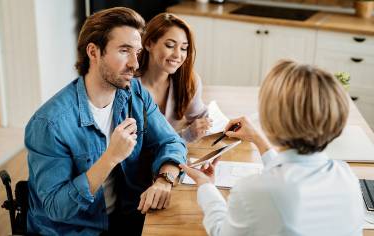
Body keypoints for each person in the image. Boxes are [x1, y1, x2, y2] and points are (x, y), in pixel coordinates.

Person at [25, 7, 186, 235]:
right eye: (124, 51)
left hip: (125, 219)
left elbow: (171, 141)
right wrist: (110, 157)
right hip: (75, 230)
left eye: (137, 52)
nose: (135, 64)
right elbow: (56, 208)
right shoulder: (49, 124)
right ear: (93, 52)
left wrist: (164, 180)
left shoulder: (134, 93)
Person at [180, 60, 364, 236]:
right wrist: (260, 142)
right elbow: (292, 174)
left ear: (270, 122)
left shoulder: (254, 191)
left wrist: (206, 186)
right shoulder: (347, 177)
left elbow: (221, 232)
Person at [136, 13, 212, 143]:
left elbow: (201, 117)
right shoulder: (128, 85)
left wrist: (229, 128)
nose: (178, 55)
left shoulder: (188, 81)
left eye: (183, 48)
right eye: (170, 45)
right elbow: (144, 146)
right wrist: (187, 135)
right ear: (149, 44)